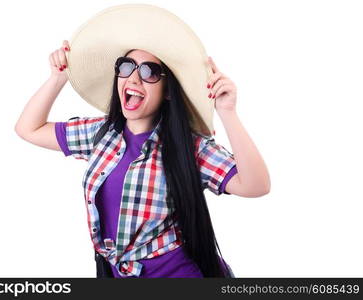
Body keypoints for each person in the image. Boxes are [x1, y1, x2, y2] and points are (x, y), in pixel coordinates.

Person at [15, 4, 271, 278]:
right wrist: (58, 78)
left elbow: (256, 185)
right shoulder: (101, 134)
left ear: (168, 91)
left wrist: (228, 113)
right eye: (126, 67)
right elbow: (28, 128)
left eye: (149, 72)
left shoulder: (189, 147)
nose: (133, 78)